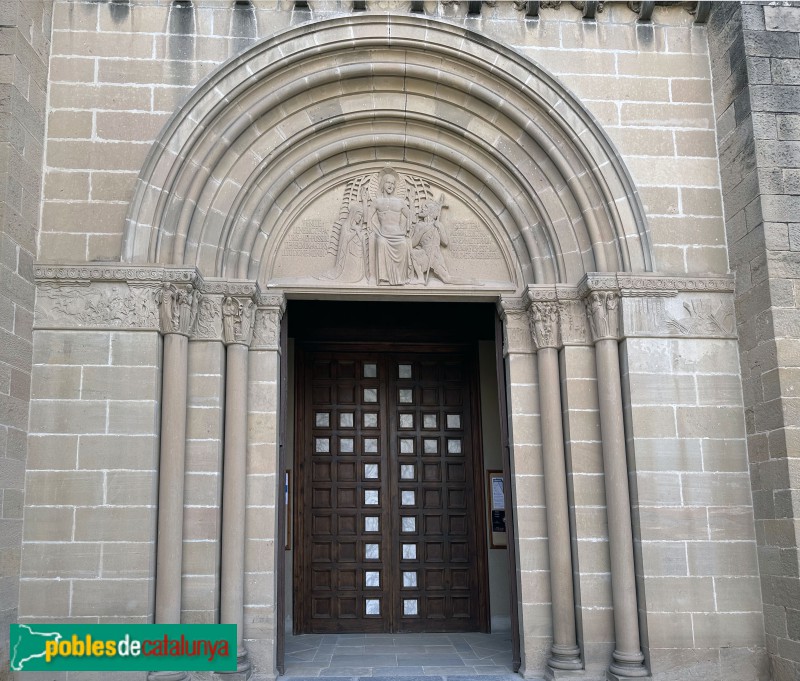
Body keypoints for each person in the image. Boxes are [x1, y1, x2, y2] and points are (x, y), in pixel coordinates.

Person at [368, 168, 411, 285]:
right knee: (381, 242)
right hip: (383, 234)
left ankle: (400, 278)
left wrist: (405, 229)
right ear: (383, 184)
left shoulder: (400, 202)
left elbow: (410, 217)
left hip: (398, 235)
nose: (391, 185)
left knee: (403, 244)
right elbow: (368, 218)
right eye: (388, 182)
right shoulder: (376, 202)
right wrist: (374, 230)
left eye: (393, 183)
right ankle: (384, 278)